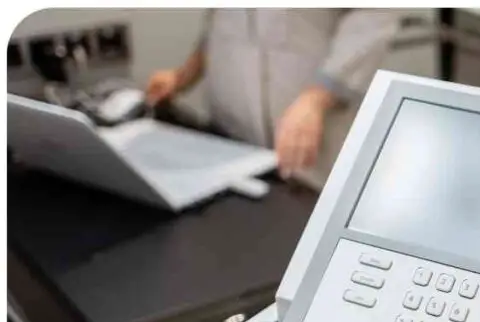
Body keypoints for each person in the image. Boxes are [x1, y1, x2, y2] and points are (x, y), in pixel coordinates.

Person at [146, 9, 401, 188]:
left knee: (307, 233)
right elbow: (220, 19)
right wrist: (184, 75)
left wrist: (318, 97)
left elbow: (373, 16)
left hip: (309, 126)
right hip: (231, 131)